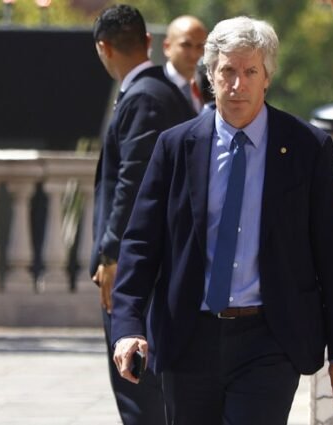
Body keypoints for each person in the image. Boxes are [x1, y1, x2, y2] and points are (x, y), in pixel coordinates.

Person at [111, 16, 333, 425]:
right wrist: (127, 326)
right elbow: (141, 243)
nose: (237, 84)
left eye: (250, 72)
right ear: (210, 74)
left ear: (268, 78)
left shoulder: (305, 148)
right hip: (188, 337)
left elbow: (332, 252)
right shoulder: (176, 147)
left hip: (270, 339)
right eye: (227, 71)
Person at [89, 4, 196, 425]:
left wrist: (112, 254)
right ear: (149, 41)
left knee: (136, 384)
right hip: (160, 261)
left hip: (137, 266)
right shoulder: (163, 92)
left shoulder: (143, 98)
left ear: (103, 48)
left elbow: (131, 183)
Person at [162, 15, 208, 113]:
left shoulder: (210, 85)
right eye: (186, 45)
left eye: (200, 46)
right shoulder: (156, 88)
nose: (194, 54)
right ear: (167, 47)